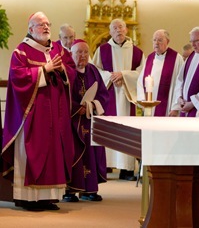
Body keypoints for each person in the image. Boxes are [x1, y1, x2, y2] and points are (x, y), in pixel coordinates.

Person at [1, 11, 76, 211]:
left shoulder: (57, 50)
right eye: (41, 24)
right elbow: (18, 78)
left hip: (55, 115)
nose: (46, 27)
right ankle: (29, 198)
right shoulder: (22, 52)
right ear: (31, 29)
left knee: (53, 154)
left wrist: (61, 71)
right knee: (35, 152)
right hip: (33, 115)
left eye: (47, 24)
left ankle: (48, 198)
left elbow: (71, 71)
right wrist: (45, 69)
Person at [91, 18, 145, 180]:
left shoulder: (137, 52)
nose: (118, 30)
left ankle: (126, 169)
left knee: (126, 130)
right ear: (110, 32)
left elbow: (142, 73)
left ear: (126, 30)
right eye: (115, 28)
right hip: (108, 95)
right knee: (109, 129)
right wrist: (111, 76)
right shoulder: (102, 50)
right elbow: (94, 71)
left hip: (127, 97)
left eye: (121, 27)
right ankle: (106, 166)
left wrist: (125, 75)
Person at [63, 40, 109, 202]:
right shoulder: (67, 71)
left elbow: (103, 94)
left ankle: (89, 189)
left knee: (91, 152)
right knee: (72, 153)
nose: (82, 56)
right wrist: (77, 108)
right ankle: (69, 190)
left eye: (85, 52)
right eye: (79, 52)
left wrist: (92, 105)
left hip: (89, 120)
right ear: (71, 54)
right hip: (72, 122)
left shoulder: (93, 70)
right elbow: (63, 95)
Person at [136, 29, 184, 116]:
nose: (156, 43)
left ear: (168, 41)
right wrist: (143, 100)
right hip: (149, 107)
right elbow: (140, 81)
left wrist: (176, 107)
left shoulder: (177, 58)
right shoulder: (149, 58)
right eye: (154, 40)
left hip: (168, 108)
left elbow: (180, 84)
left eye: (160, 40)